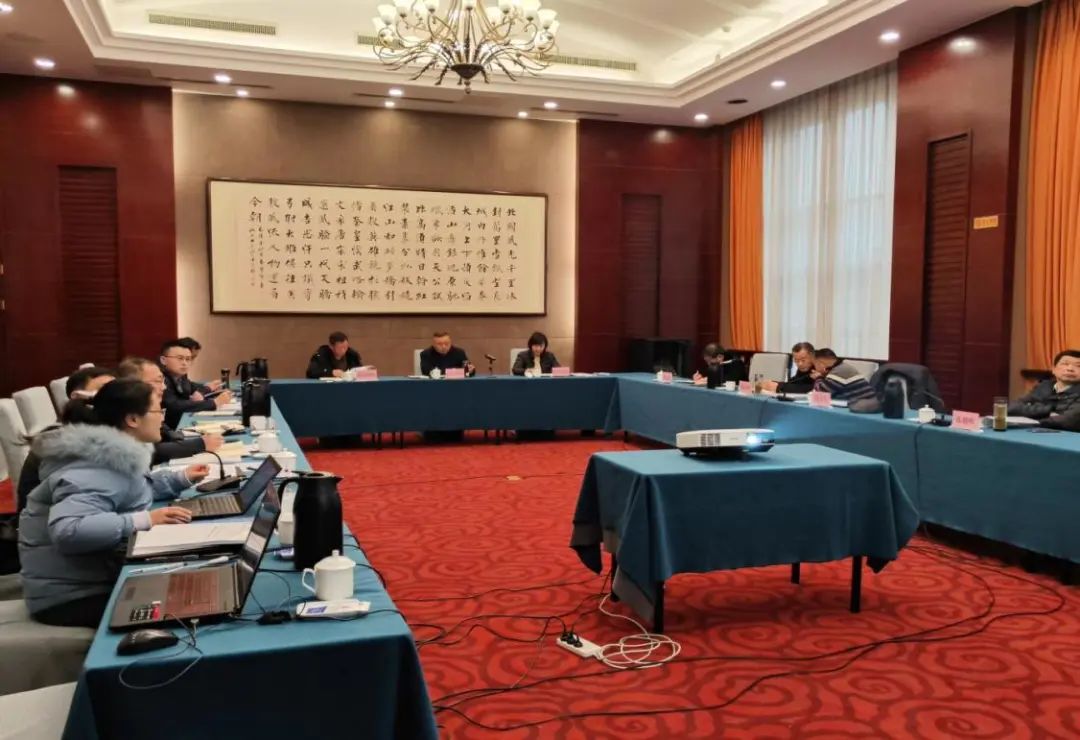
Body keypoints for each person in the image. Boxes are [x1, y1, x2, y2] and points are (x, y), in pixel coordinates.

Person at [18, 378, 209, 628]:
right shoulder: (94, 464)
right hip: (70, 597)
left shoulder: (111, 455)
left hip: (93, 580)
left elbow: (128, 490)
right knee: (192, 610)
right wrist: (144, 520)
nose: (162, 417)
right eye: (157, 410)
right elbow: (68, 530)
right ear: (133, 419)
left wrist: (180, 479)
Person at [116, 357, 225, 464]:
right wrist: (199, 444)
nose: (164, 387)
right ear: (133, 385)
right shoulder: (125, 412)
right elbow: (149, 451)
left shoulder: (151, 403)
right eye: (158, 381)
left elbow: (167, 433)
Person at [159, 339, 232, 429]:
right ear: (163, 360)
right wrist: (214, 403)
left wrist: (208, 388)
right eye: (180, 358)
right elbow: (175, 405)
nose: (184, 363)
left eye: (188, 359)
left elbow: (192, 387)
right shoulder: (159, 379)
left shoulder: (180, 375)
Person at [1009, 350, 1080, 420]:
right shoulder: (1044, 386)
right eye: (1065, 364)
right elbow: (1012, 408)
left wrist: (1034, 410)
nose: (1070, 369)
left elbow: (1068, 419)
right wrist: (1048, 411)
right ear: (1053, 369)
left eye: (1078, 366)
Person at [812, 348, 877, 402]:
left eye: (815, 365)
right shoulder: (841, 367)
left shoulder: (838, 371)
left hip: (863, 405)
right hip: (864, 403)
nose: (815, 368)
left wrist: (818, 377)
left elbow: (821, 394)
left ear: (820, 364)